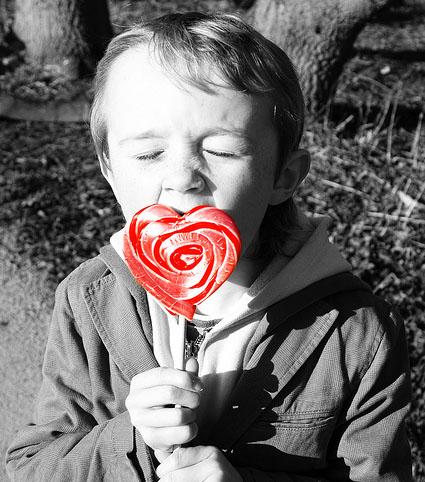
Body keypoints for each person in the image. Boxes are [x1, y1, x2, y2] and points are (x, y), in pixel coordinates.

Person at [6, 12, 412, 482]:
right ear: (110, 170)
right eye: (148, 153)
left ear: (284, 176)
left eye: (221, 151)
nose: (182, 177)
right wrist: (132, 438)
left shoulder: (357, 333)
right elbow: (31, 468)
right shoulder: (89, 300)